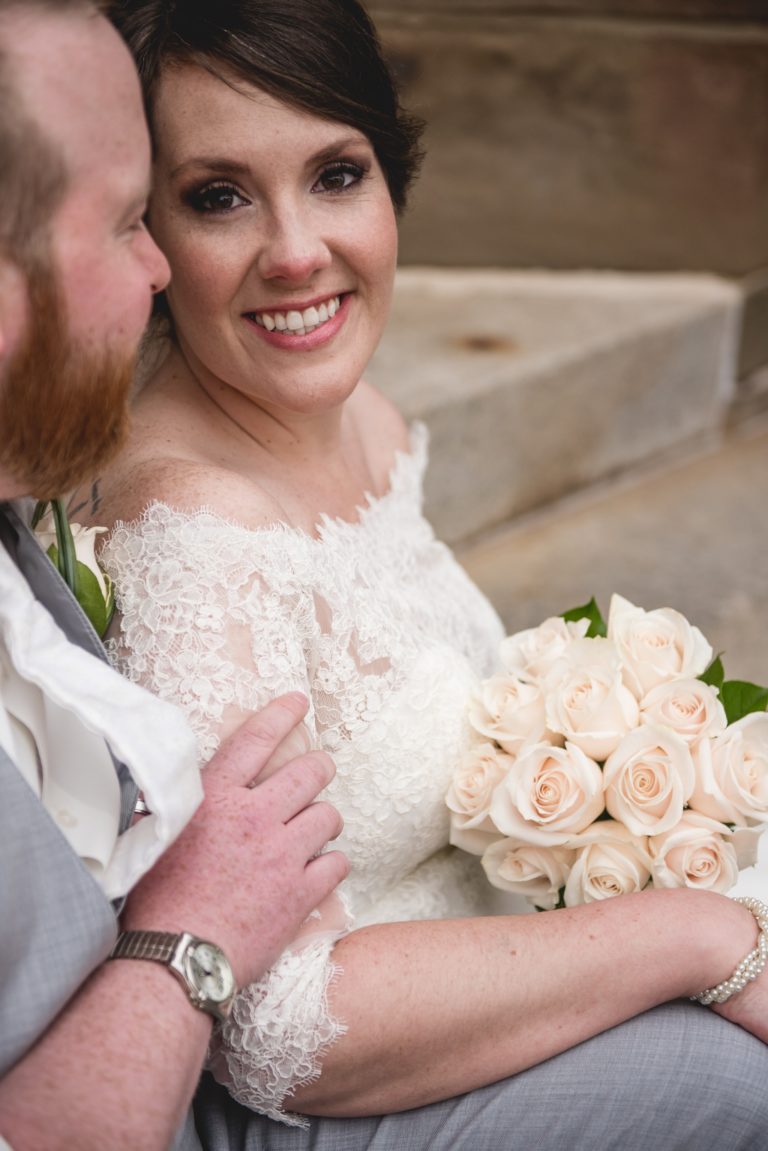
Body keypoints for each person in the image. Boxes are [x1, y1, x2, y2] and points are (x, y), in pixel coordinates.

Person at [81, 0, 768, 1147]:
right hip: (358, 1100)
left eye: (337, 174)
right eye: (219, 196)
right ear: (145, 233)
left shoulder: (371, 427)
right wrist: (687, 936)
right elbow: (278, 1021)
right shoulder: (198, 540)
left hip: (482, 975)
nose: (298, 250)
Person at [0, 3, 348, 1149]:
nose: (151, 272)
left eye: (342, 173)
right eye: (121, 224)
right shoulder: (189, 510)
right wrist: (190, 931)